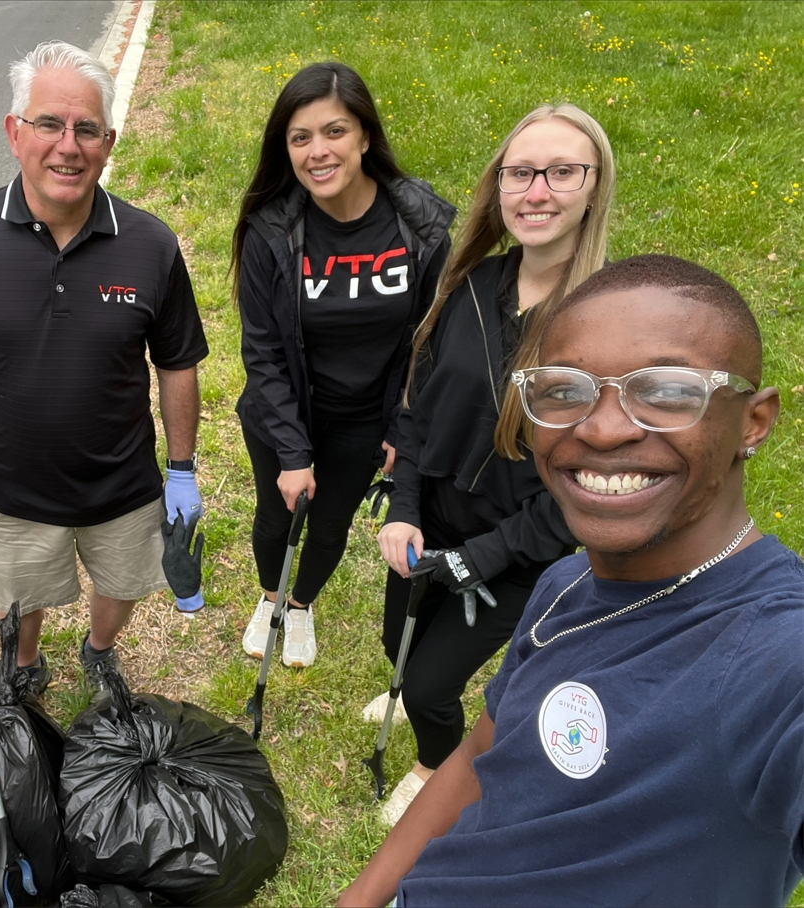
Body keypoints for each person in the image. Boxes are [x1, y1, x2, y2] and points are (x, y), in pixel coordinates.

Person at [339, 254, 802, 907]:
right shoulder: (565, 582)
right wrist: (361, 897)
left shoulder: (777, 657)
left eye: (668, 391)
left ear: (753, 422)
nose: (604, 427)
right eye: (564, 390)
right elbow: (482, 753)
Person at [0, 41, 208, 694]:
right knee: (19, 603)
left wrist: (181, 472)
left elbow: (178, 361)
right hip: (13, 495)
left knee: (124, 585)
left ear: (108, 142)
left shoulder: (150, 245)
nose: (68, 146)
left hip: (124, 490)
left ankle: (99, 650)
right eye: (49, 124)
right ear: (16, 132)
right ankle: (27, 663)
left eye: (86, 129)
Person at [370, 103, 615, 822]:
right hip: (432, 521)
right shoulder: (467, 284)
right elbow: (415, 410)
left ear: (594, 188)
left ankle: (432, 761)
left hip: (513, 555)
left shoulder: (603, 323)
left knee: (430, 690)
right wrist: (405, 509)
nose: (537, 191)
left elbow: (582, 490)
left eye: (562, 171)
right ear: (498, 186)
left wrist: (479, 558)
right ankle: (408, 691)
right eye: (520, 172)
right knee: (398, 647)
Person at [232, 62, 455, 668]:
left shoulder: (421, 225)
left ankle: (300, 606)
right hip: (284, 414)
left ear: (363, 135)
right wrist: (292, 452)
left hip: (365, 421)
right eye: (299, 138)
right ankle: (271, 596)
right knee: (277, 517)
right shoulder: (271, 230)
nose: (317, 151)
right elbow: (263, 351)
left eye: (334, 131)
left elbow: (429, 343)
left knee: (329, 527)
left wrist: (400, 432)